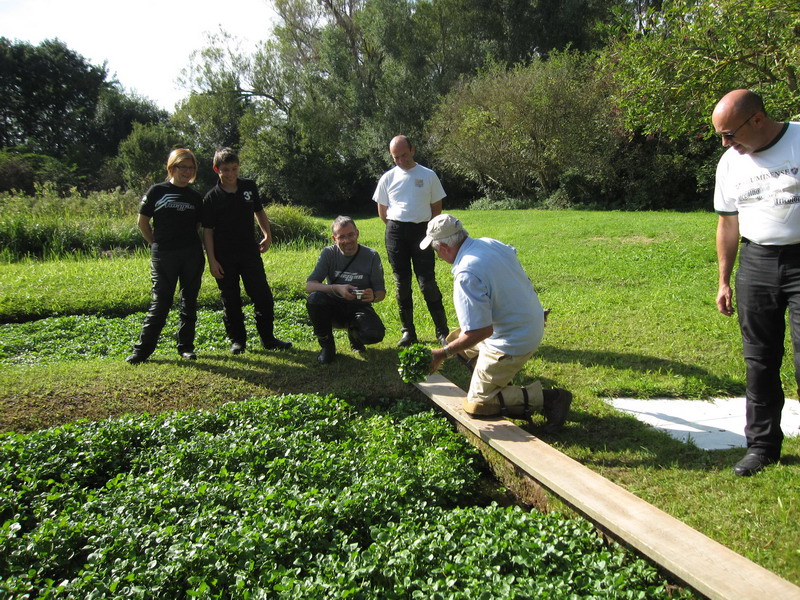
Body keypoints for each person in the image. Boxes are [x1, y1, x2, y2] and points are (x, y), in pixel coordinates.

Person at [712, 89, 800, 476]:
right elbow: (727, 223)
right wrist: (724, 280)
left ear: (758, 119)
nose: (726, 143)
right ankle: (762, 446)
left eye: (730, 134)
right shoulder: (730, 163)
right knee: (759, 360)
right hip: (758, 262)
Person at [423, 214, 572, 429]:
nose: (437, 255)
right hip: (527, 323)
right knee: (455, 340)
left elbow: (481, 331)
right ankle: (496, 381)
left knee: (477, 405)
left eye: (435, 250)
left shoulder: (466, 273)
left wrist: (441, 354)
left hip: (512, 341)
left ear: (444, 247)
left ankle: (551, 398)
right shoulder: (489, 243)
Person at [202, 147, 291, 354]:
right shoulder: (211, 197)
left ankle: (268, 339)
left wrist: (267, 235)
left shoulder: (249, 187)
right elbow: (207, 231)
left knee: (262, 296)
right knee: (231, 299)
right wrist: (212, 260)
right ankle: (238, 341)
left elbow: (259, 211)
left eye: (234, 168)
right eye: (226, 170)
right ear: (217, 169)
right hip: (224, 256)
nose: (231, 174)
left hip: (249, 252)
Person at [127, 148, 205, 364]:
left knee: (189, 302)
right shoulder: (157, 191)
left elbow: (198, 225)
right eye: (183, 167)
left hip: (191, 255)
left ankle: (186, 347)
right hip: (164, 255)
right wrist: (155, 243)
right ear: (172, 167)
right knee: (161, 302)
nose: (187, 171)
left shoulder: (195, 197)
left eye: (191, 168)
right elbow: (142, 222)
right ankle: (142, 351)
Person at [373, 135, 449, 347]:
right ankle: (408, 331)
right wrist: (397, 227)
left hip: (422, 232)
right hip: (396, 233)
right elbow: (382, 211)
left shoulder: (428, 175)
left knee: (427, 283)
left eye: (404, 155)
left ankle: (442, 332)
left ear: (413, 150)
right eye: (396, 157)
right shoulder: (387, 178)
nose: (401, 160)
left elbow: (436, 208)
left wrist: (428, 230)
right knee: (402, 284)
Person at [306, 216, 386, 364]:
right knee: (314, 299)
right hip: (334, 308)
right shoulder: (328, 253)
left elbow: (381, 292)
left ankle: (355, 336)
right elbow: (309, 286)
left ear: (357, 233)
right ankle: (327, 347)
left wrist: (373, 296)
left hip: (359, 308)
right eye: (341, 237)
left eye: (350, 235)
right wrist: (336, 288)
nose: (347, 240)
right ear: (334, 239)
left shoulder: (371, 255)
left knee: (374, 334)